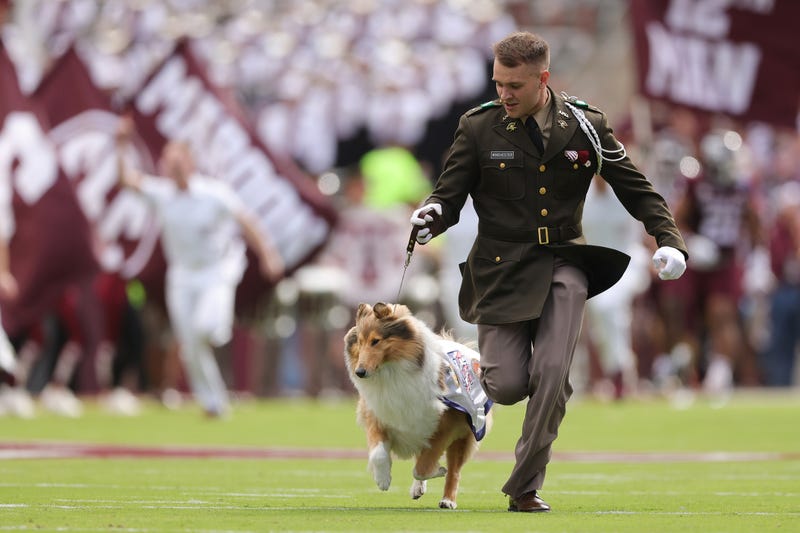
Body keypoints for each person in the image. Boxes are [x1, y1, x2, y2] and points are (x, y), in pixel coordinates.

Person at [409, 31, 687, 513]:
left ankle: (524, 487)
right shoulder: (477, 128)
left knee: (554, 371)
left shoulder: (587, 124)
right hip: (500, 269)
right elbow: (448, 195)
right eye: (498, 83)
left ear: (544, 79)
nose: (504, 94)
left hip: (565, 262)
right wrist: (430, 214)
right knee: (509, 384)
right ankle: (469, 374)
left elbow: (637, 189)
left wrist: (669, 240)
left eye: (515, 85)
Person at [115, 116, 284, 417]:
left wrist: (268, 254)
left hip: (216, 272)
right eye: (169, 161)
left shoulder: (213, 193)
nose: (174, 166)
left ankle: (217, 331)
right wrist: (121, 146)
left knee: (204, 328)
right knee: (191, 343)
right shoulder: (161, 193)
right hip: (181, 275)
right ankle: (213, 402)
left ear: (191, 163)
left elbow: (246, 222)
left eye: (179, 160)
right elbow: (127, 181)